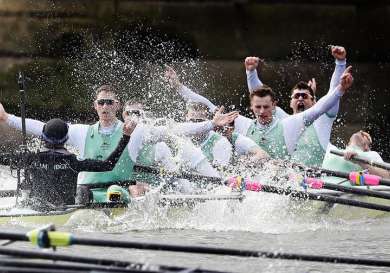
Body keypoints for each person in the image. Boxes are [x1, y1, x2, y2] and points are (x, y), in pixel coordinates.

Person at [164, 64, 353, 161]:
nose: (262, 111)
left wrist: (340, 90)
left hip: (286, 179)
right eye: (258, 107)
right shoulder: (242, 123)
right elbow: (209, 105)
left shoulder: (289, 124)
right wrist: (179, 87)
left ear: (275, 107)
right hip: (257, 185)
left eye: (266, 107)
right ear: (251, 107)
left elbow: (320, 108)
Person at [0, 118, 135, 210]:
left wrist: (20, 156)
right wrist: (125, 137)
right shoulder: (73, 161)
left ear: (42, 137)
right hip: (66, 211)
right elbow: (109, 165)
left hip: (36, 209)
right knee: (82, 189)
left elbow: (3, 159)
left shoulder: (29, 158)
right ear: (66, 139)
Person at [245, 45, 348, 166]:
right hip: (285, 179)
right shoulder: (282, 119)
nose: (300, 98)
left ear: (314, 101)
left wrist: (340, 63)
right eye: (296, 96)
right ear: (290, 102)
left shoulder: (323, 119)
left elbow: (333, 93)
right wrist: (251, 72)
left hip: (314, 180)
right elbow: (260, 98)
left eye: (304, 96)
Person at [321, 131, 387, 184]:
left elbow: (387, 178)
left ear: (367, 147)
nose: (361, 132)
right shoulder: (331, 149)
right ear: (348, 143)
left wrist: (361, 162)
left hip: (345, 194)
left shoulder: (371, 154)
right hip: (320, 190)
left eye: (365, 136)